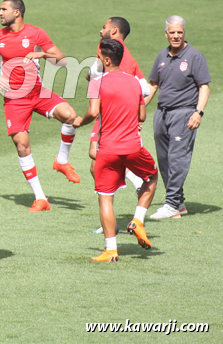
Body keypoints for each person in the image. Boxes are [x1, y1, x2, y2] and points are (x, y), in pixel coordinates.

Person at [0, 0, 79, 212]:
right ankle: (40, 198)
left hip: (38, 93)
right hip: (15, 100)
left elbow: (62, 60)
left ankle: (61, 160)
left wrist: (43, 54)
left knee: (70, 116)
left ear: (17, 12)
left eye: (3, 9)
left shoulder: (36, 33)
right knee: (22, 145)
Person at [73, 39, 158, 262]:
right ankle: (138, 220)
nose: (98, 60)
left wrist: (80, 122)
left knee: (105, 199)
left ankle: (111, 250)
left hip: (107, 150)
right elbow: (142, 116)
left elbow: (93, 112)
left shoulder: (97, 83)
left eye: (99, 57)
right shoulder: (134, 83)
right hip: (132, 147)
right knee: (152, 176)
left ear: (107, 60)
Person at [86, 17, 150, 233]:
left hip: (110, 117)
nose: (100, 30)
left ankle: (110, 229)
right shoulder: (126, 55)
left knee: (100, 161)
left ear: (114, 30)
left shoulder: (109, 48)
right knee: (95, 162)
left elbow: (94, 76)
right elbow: (145, 89)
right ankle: (113, 220)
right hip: (115, 116)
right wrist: (136, 114)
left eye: (104, 27)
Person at [145, 16, 210, 219]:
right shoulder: (161, 56)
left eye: (179, 32)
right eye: (172, 32)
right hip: (161, 113)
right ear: (166, 34)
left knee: (177, 158)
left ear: (184, 33)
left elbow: (204, 87)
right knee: (164, 159)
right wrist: (137, 108)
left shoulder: (195, 56)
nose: (176, 36)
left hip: (183, 114)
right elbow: (153, 85)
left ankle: (172, 204)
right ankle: (178, 203)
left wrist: (198, 112)